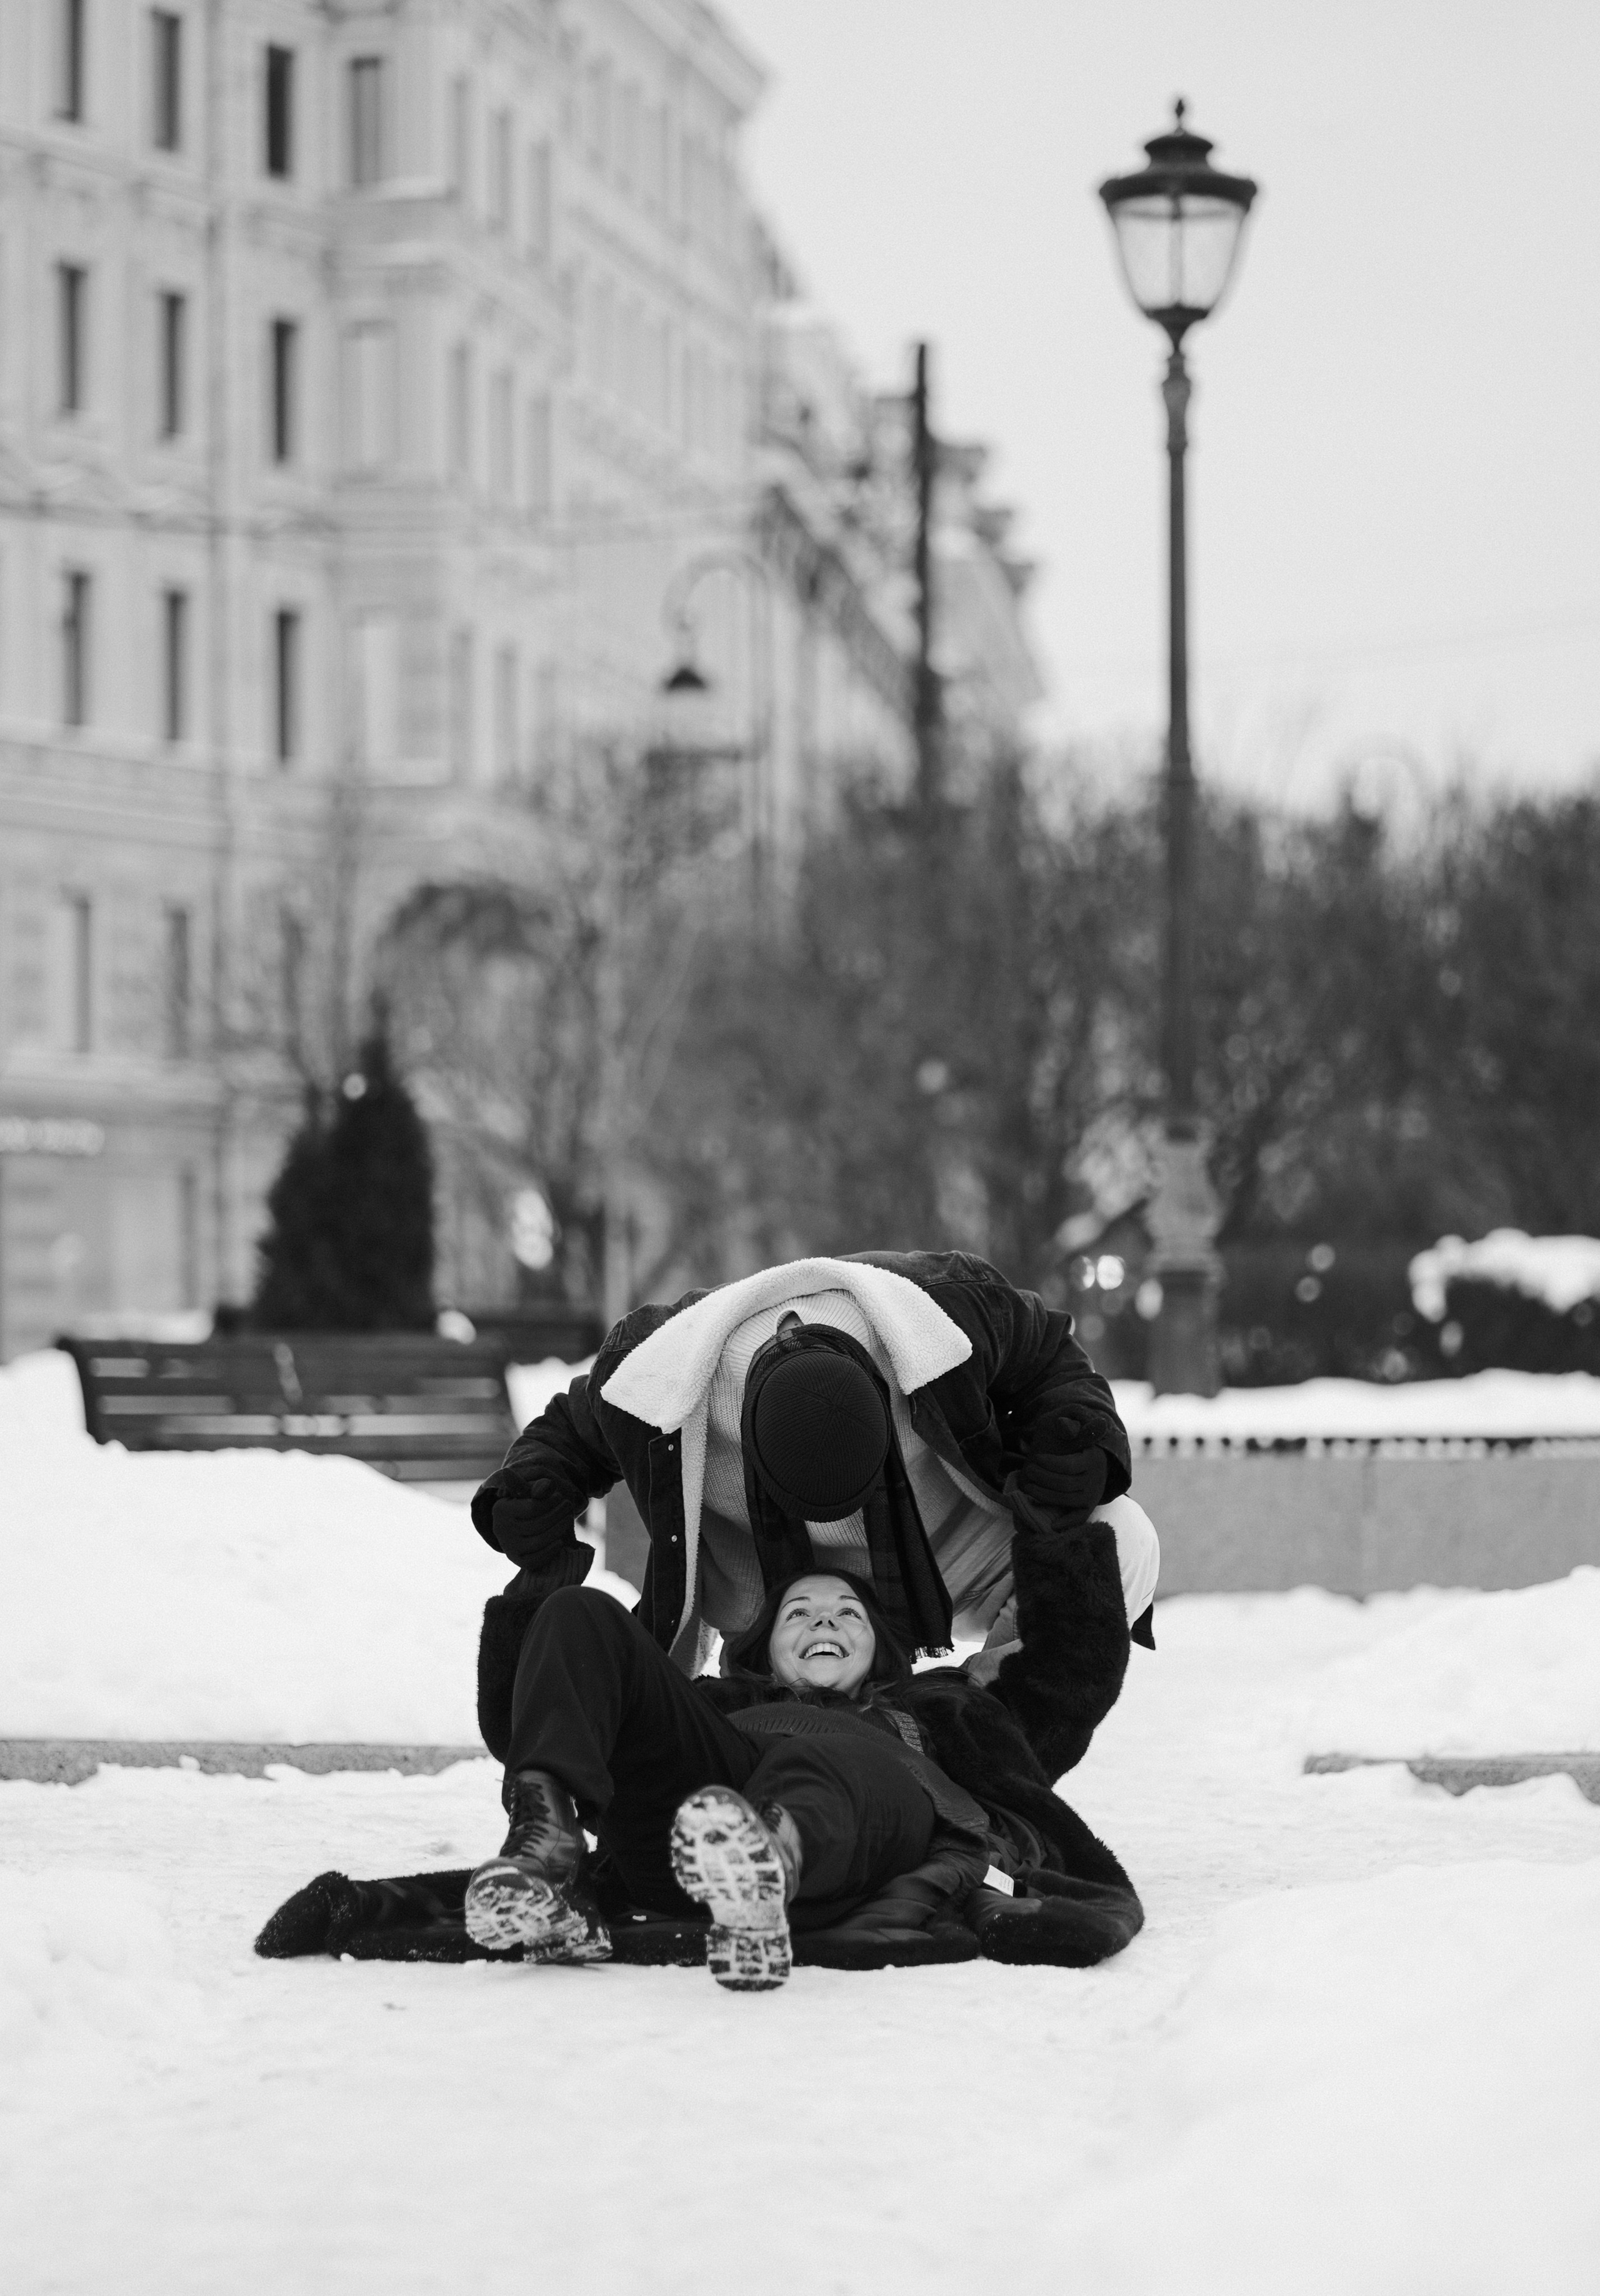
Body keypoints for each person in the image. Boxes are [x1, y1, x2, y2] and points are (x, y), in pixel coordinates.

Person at [471, 1252, 1159, 1762]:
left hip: (937, 1553)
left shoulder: (946, 1311)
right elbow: (570, 1429)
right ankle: (760, 1735)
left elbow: (1050, 1356)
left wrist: (1083, 1440)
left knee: (1120, 1533)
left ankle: (980, 1737)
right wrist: (525, 1492)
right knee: (739, 1739)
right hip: (767, 1589)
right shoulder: (660, 1362)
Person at [464, 1557, 1144, 1992]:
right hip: (682, 1841)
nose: (823, 1617)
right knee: (577, 1611)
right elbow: (545, 1713)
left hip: (868, 1835)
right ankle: (545, 1855)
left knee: (820, 1751)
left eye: (847, 1612)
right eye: (799, 1613)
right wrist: (542, 1562)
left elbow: (1063, 1684)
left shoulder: (938, 1707)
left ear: (879, 1646)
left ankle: (765, 1869)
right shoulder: (714, 1706)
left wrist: (1059, 1530)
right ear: (766, 1648)